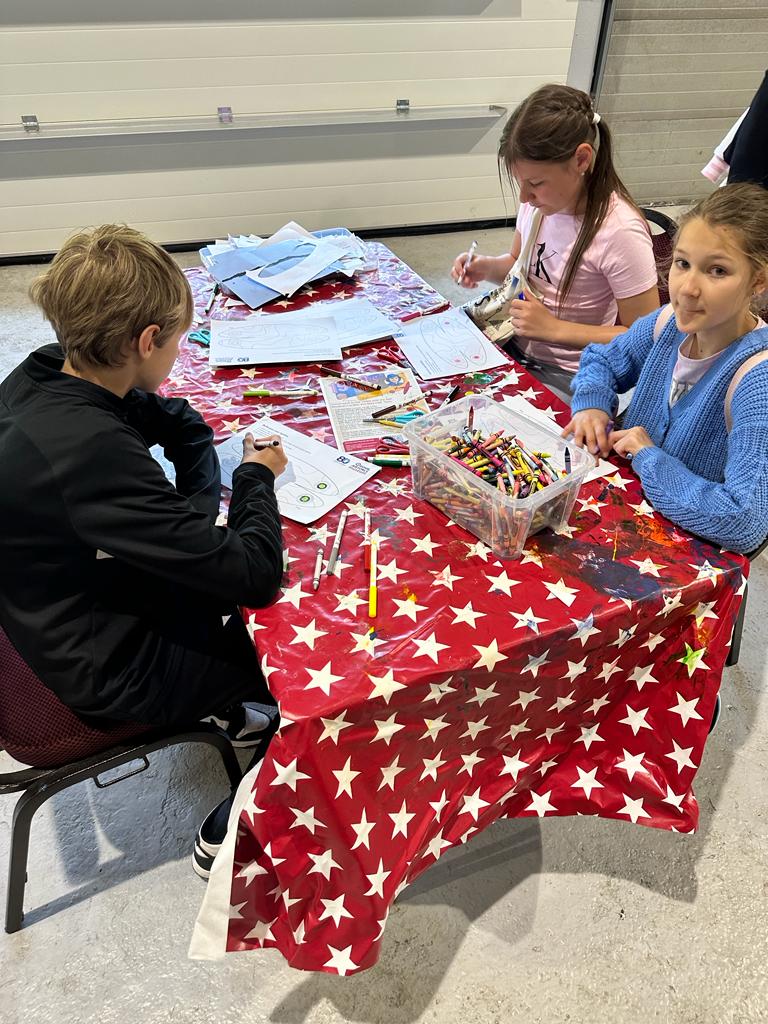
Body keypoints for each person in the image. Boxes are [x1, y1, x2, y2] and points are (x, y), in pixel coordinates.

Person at [0, 224, 287, 877]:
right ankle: (244, 818)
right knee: (295, 659)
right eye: (178, 340)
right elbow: (253, 574)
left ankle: (229, 711)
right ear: (147, 340)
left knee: (215, 587)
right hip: (105, 672)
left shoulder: (48, 368)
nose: (178, 355)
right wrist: (254, 477)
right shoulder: (89, 449)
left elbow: (179, 423)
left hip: (49, 606)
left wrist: (190, 520)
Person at [565, 182, 768, 554]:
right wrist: (592, 405)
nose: (687, 288)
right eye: (682, 263)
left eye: (717, 271)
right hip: (617, 522)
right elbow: (602, 359)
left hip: (677, 556)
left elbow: (744, 521)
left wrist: (648, 458)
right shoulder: (667, 323)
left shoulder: (757, 381)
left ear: (758, 281)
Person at [451, 84, 660, 400]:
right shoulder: (539, 204)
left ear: (581, 160)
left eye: (535, 183)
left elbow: (644, 338)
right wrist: (485, 268)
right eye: (520, 183)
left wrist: (554, 329)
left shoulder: (620, 232)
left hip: (574, 372)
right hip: (513, 343)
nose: (524, 196)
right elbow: (519, 265)